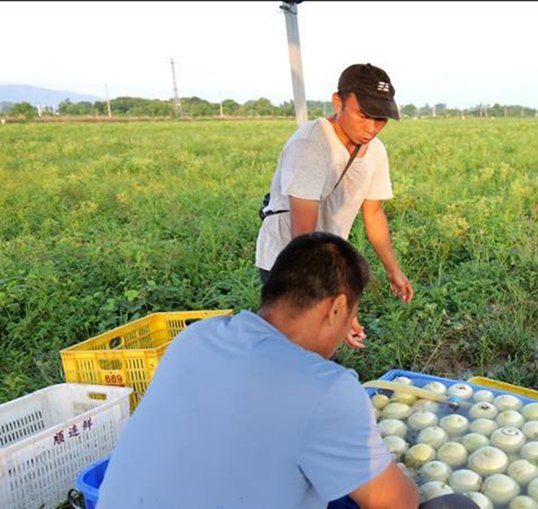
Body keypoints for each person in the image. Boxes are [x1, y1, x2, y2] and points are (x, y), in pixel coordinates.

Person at [97, 232, 475, 509]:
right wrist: (403, 474)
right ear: (336, 308)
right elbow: (394, 504)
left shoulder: (197, 337)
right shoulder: (325, 389)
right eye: (351, 316)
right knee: (454, 506)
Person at [255, 63, 413, 351]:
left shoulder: (376, 150)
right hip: (289, 260)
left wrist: (394, 270)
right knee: (293, 348)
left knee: (317, 351)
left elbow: (373, 214)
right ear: (338, 102)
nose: (372, 128)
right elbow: (304, 239)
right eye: (363, 115)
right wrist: (340, 305)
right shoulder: (310, 144)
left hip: (325, 256)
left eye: (380, 119)